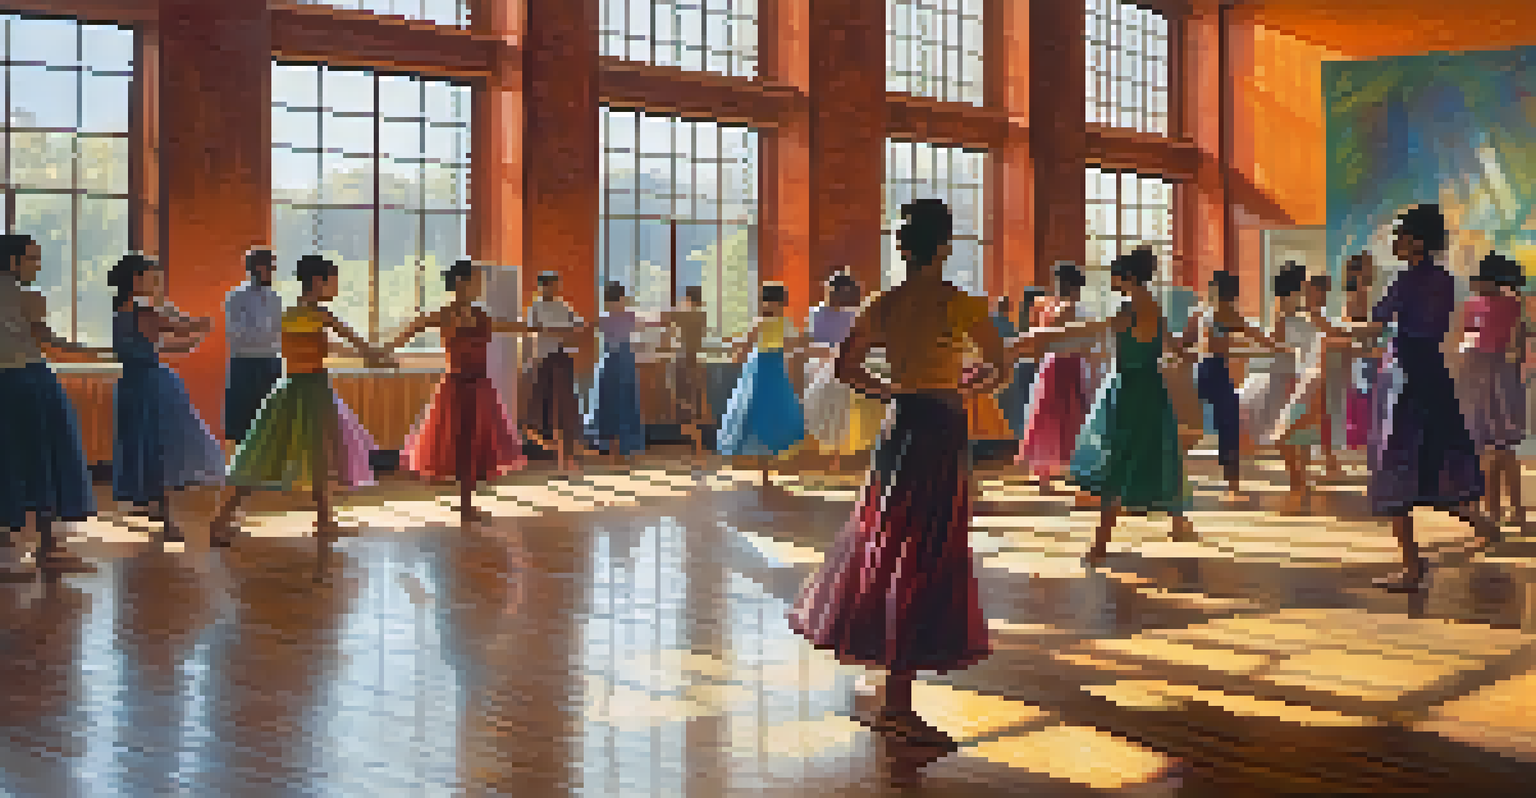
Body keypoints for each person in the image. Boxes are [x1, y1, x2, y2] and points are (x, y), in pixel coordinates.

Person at [789, 199, 1007, 762]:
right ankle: (897, 704)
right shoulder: (960, 304)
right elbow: (1000, 365)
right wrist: (974, 384)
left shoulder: (884, 304)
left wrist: (891, 392)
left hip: (901, 424)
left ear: (904, 248)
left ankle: (894, 693)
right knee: (927, 548)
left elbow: (844, 368)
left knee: (890, 541)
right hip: (939, 427)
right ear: (946, 247)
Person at [1021, 247, 1194, 564]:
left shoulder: (1130, 310)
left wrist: (1037, 336)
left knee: (1118, 460)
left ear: (1127, 277)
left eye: (1114, 275)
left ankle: (1100, 545)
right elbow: (1175, 347)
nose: (1110, 280)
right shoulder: (1151, 306)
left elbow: (1094, 330)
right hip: (1150, 388)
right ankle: (1179, 522)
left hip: (1129, 388)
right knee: (1160, 451)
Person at [207, 255, 394, 547]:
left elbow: (317, 346)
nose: (335, 288)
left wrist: (374, 355)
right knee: (310, 456)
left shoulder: (289, 313)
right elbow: (358, 345)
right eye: (332, 281)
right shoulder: (321, 314)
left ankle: (225, 520)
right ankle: (322, 522)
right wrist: (382, 357)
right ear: (317, 282)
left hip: (290, 390)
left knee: (262, 457)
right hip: (314, 390)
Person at [1363, 204, 1501, 591]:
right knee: (1436, 463)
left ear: (1417, 242)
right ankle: (1480, 522)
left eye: (1401, 236)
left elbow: (1373, 323)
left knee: (1395, 473)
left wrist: (1361, 288)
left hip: (1406, 380)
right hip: (1434, 379)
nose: (1395, 242)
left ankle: (1411, 567)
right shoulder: (1446, 281)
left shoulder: (1405, 283)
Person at [387, 259, 530, 524]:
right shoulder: (444, 314)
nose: (480, 285)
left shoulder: (481, 315)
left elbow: (506, 326)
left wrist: (539, 329)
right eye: (476, 280)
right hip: (456, 387)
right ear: (462, 283)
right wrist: (384, 350)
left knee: (475, 445)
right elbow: (414, 327)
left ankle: (467, 504)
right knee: (461, 444)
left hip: (480, 387)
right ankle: (465, 505)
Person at [0, 233, 108, 573]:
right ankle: (44, 548)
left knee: (11, 460)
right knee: (46, 458)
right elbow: (49, 344)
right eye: (32, 258)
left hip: (18, 381)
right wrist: (100, 353)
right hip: (29, 381)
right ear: (13, 261)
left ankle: (17, 551)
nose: (38, 265)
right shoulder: (28, 297)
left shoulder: (26, 296)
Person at [109, 253, 225, 544]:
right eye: (151, 277)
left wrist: (191, 334)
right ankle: (167, 519)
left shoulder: (121, 309)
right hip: (152, 384)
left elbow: (167, 343)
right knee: (163, 447)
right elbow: (183, 330)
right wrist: (203, 324)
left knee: (146, 445)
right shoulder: (143, 311)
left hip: (132, 383)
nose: (155, 282)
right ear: (137, 280)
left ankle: (155, 509)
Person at [1180, 270, 1276, 501]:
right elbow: (1260, 338)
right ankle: (1233, 486)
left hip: (1201, 370)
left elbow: (1183, 343)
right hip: (1216, 372)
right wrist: (1281, 346)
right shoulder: (1228, 313)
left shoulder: (1201, 313)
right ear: (1231, 294)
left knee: (1193, 427)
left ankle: (1174, 473)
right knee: (1229, 427)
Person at [1239, 263, 1320, 512]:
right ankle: (1299, 478)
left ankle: (1300, 479)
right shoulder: (1286, 308)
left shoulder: (1296, 307)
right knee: (1288, 430)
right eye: (1304, 281)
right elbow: (1279, 341)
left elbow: (1281, 341)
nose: (1308, 285)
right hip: (1288, 374)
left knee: (1293, 430)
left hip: (1294, 373)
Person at [1456, 252, 1526, 527]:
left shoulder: (1509, 305)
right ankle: (1501, 511)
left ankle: (1509, 511)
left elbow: (1473, 341)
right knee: (1494, 450)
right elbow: (1467, 339)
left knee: (1499, 450)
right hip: (1486, 379)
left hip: (1495, 379)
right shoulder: (1501, 304)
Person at [1013, 261, 1092, 495]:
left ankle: (1049, 474)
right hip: (1063, 363)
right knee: (1061, 415)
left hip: (1060, 363)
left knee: (1057, 416)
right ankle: (1054, 473)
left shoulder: (1054, 307)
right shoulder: (1064, 308)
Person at [718, 282, 808, 486]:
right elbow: (751, 343)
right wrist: (737, 350)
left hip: (769, 366)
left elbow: (788, 344)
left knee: (768, 408)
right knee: (756, 408)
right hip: (764, 366)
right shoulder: (774, 322)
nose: (770, 306)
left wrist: (737, 350)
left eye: (772, 302)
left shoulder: (775, 322)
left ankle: (766, 461)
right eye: (767, 302)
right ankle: (764, 462)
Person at [800, 272, 885, 472]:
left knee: (849, 402)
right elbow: (810, 342)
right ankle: (831, 454)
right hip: (821, 364)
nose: (836, 297)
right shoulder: (816, 313)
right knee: (829, 402)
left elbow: (855, 344)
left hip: (842, 363)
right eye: (834, 292)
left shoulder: (851, 315)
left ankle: (846, 453)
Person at [586, 281, 665, 463]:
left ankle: (613, 451)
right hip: (624, 362)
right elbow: (646, 325)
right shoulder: (627, 316)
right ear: (621, 297)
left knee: (610, 405)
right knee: (625, 404)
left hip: (609, 361)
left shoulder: (604, 317)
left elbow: (590, 329)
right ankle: (624, 450)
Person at [523, 271, 587, 471]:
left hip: (563, 358)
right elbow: (529, 334)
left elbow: (579, 325)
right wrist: (528, 361)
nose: (552, 288)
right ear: (541, 286)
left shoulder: (563, 306)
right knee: (545, 411)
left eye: (554, 284)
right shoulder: (535, 307)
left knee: (564, 409)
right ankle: (556, 456)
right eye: (548, 285)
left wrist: (568, 333)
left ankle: (567, 458)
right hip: (544, 359)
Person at [224, 248, 284, 450]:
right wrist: (265, 337)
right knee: (245, 419)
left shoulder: (276, 297)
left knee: (271, 418)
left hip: (271, 362)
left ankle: (269, 466)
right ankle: (245, 467)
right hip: (245, 364)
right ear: (258, 268)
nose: (273, 271)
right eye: (270, 266)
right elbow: (235, 334)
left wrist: (266, 338)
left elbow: (279, 332)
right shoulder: (237, 297)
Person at [665, 285, 711, 460]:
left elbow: (665, 317)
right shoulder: (702, 315)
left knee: (684, 401)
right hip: (694, 359)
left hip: (683, 359)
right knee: (694, 400)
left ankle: (695, 444)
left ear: (688, 299)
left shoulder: (686, 314)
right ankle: (697, 444)